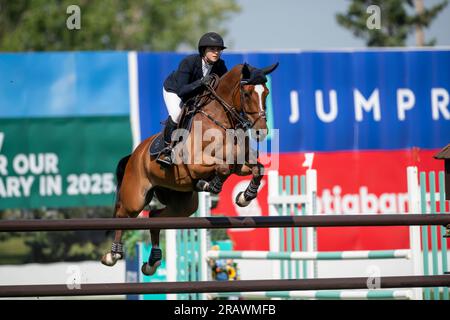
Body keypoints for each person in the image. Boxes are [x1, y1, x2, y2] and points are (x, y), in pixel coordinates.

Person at [157, 32, 228, 168]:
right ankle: (167, 150)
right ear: (203, 51)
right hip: (175, 91)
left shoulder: (220, 65)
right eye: (212, 49)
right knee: (177, 115)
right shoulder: (189, 62)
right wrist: (201, 82)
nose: (216, 52)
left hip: (197, 94)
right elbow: (182, 91)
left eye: (219, 50)